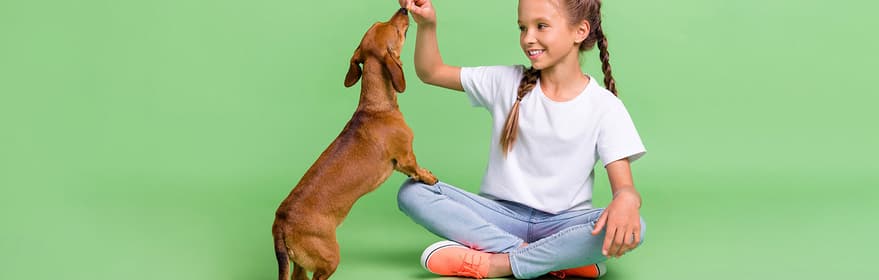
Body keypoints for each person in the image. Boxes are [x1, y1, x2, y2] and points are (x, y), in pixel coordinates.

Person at [396, 0, 647, 278]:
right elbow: (431, 72)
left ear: (580, 31)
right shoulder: (505, 82)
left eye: (541, 26)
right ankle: (552, 259)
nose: (528, 38)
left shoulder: (605, 106)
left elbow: (624, 188)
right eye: (522, 27)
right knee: (413, 192)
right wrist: (427, 25)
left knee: (638, 226)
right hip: (498, 217)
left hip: (562, 225)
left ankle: (497, 263)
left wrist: (626, 200)